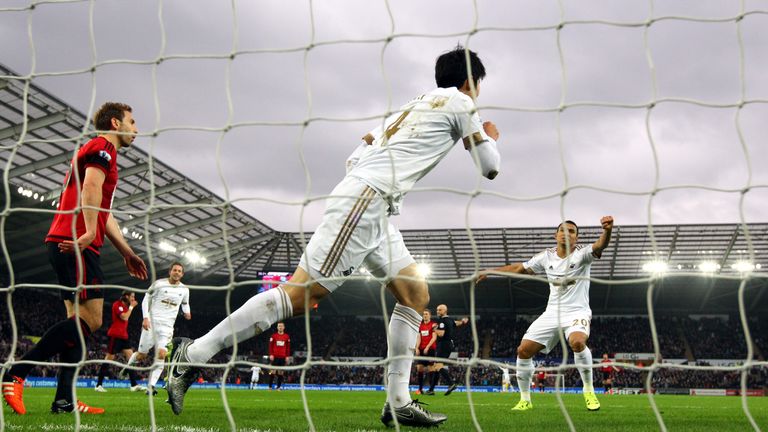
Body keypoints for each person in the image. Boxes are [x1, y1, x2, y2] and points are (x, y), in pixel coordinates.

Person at [164, 45, 501, 429]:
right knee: (302, 295)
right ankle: (195, 353)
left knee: (415, 295)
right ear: (471, 81)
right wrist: (489, 137)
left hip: (375, 206)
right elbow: (490, 167)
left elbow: (357, 152)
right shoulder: (460, 102)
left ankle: (399, 401)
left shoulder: (413, 107)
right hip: (366, 201)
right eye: (479, 85)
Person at [2, 102, 148, 415]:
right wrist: (88, 232)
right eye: (132, 122)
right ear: (115, 122)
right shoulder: (102, 148)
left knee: (77, 324)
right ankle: (16, 372)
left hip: (67, 241)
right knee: (93, 319)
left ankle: (64, 400)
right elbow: (91, 189)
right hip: (77, 245)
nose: (136, 129)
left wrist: (127, 252)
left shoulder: (98, 151)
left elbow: (104, 211)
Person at [479, 216, 614, 412]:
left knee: (577, 342)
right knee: (523, 351)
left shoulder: (583, 254)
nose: (566, 234)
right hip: (552, 313)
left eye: (571, 231)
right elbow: (520, 268)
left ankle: (589, 390)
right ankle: (525, 399)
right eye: (562, 230)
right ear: (555, 235)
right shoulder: (546, 257)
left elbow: (601, 245)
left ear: (577, 238)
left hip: (577, 311)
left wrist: (607, 231)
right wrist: (490, 271)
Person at [123, 262, 190, 395]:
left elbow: (185, 303)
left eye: (179, 271)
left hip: (167, 328)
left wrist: (187, 312)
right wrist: (145, 318)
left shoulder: (185, 290)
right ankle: (128, 366)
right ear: (170, 271)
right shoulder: (159, 284)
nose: (177, 272)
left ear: (182, 274)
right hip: (151, 323)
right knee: (142, 355)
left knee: (161, 355)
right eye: (174, 270)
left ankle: (151, 386)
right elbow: (145, 300)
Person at [95, 291, 143, 392]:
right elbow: (124, 317)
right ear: (126, 296)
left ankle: (133, 385)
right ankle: (98, 385)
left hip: (124, 337)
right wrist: (131, 307)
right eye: (132, 296)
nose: (133, 299)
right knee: (109, 359)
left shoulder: (126, 306)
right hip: (115, 335)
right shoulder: (117, 305)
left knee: (131, 359)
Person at [424, 304, 468, 396]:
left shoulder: (442, 321)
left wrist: (434, 328)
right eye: (437, 310)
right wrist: (463, 322)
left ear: (445, 311)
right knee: (436, 367)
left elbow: (441, 334)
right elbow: (456, 323)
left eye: (440, 310)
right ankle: (431, 389)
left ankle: (451, 383)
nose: (438, 311)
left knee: (438, 366)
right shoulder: (450, 319)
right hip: (449, 344)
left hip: (443, 344)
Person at [414, 309, 437, 395]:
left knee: (431, 368)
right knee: (419, 368)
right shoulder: (420, 325)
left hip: (430, 349)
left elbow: (434, 337)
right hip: (421, 349)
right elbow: (418, 337)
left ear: (430, 315)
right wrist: (417, 348)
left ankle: (431, 389)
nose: (425, 315)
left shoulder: (433, 325)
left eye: (426, 314)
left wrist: (427, 347)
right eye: (423, 314)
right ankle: (420, 389)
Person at [267, 322, 291, 390]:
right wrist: (271, 354)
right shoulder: (273, 336)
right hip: (275, 356)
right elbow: (270, 346)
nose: (280, 327)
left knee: (281, 372)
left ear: (284, 327)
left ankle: (278, 387)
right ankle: (270, 387)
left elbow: (288, 347)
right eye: (279, 326)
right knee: (273, 371)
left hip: (282, 357)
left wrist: (287, 356)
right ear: (277, 327)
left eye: (281, 326)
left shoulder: (286, 336)